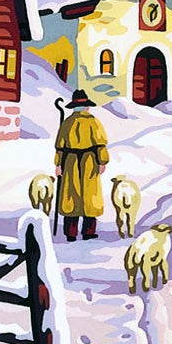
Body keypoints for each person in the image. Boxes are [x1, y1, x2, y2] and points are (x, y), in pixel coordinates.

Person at [54, 89, 109, 241]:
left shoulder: (67, 123)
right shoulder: (94, 122)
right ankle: (88, 232)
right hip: (89, 161)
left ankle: (71, 233)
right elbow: (100, 144)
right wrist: (102, 161)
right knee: (89, 196)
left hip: (70, 161)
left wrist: (58, 164)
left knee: (71, 196)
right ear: (86, 107)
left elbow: (59, 147)